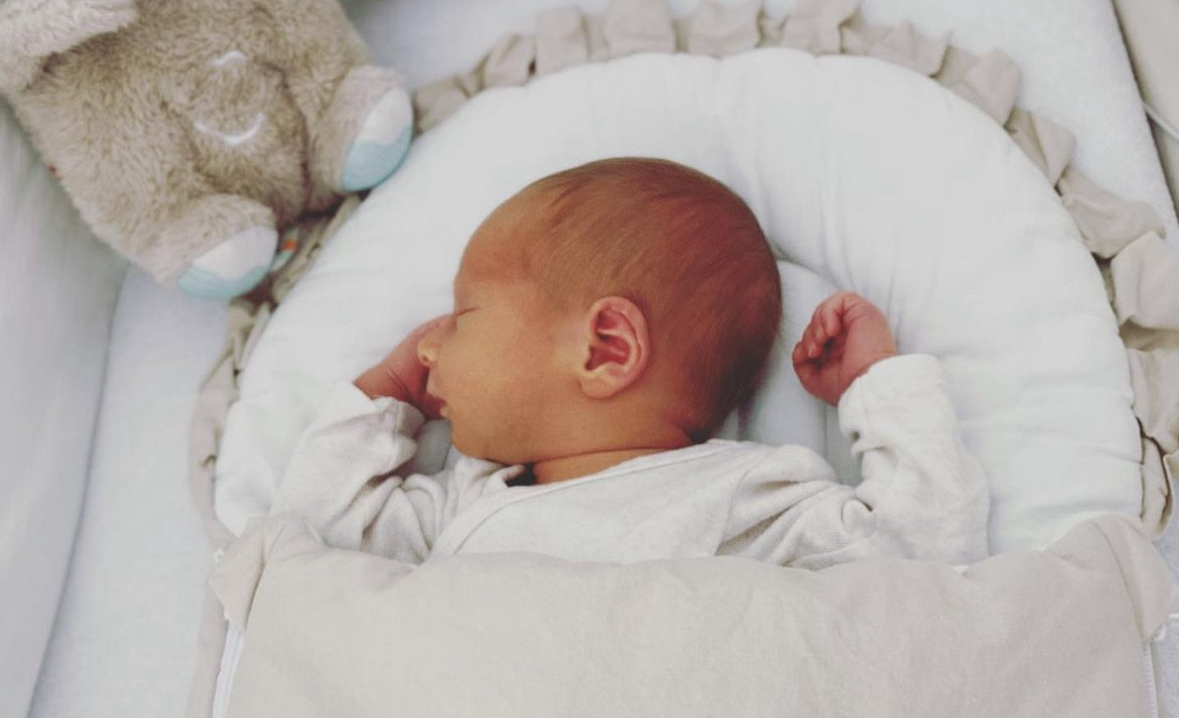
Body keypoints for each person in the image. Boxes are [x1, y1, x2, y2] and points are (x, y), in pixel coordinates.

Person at [272, 157, 989, 569]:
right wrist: (387, 396)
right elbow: (311, 537)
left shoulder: (742, 499)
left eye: (463, 318)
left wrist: (874, 387)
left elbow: (924, 550)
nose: (426, 346)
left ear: (606, 349)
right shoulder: (467, 507)